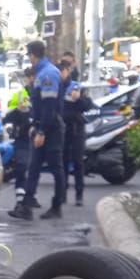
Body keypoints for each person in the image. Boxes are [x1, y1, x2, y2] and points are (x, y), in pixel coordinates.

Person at [13, 39, 65, 220]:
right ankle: (26, 207)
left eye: (29, 56)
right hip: (41, 126)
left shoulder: (48, 74)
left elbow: (49, 107)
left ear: (32, 55)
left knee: (56, 167)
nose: (29, 59)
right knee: (33, 167)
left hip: (50, 128)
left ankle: (57, 206)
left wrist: (42, 131)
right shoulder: (42, 72)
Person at [58, 54, 88, 207]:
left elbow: (87, 106)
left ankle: (79, 195)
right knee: (62, 163)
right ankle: (62, 194)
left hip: (76, 129)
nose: (62, 74)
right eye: (60, 71)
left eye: (64, 70)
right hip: (62, 130)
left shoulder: (76, 86)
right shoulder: (56, 87)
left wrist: (79, 98)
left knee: (77, 163)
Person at [2, 80, 31, 200]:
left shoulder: (42, 93)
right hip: (22, 139)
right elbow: (7, 117)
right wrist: (19, 110)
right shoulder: (21, 94)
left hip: (37, 138)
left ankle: (30, 198)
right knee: (22, 167)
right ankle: (21, 200)